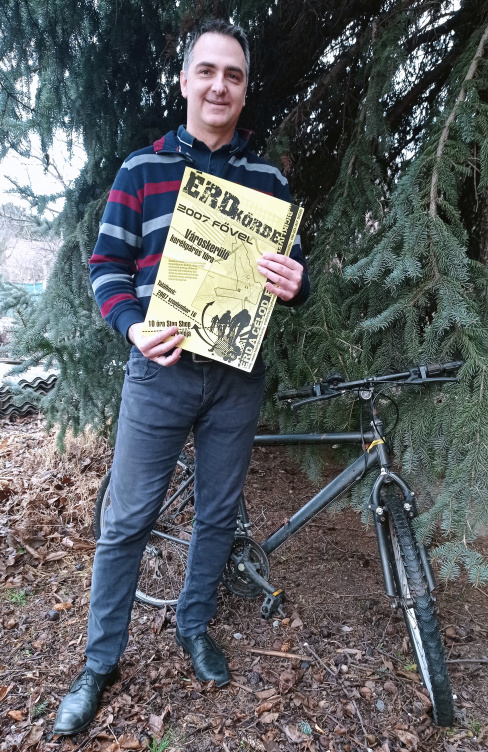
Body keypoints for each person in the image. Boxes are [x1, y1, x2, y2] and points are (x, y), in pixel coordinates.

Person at [53, 19, 309, 736]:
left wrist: (298, 282)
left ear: (244, 90)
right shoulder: (142, 169)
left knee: (217, 515)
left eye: (233, 75)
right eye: (207, 71)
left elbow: (294, 273)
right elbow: (105, 268)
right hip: (157, 373)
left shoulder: (268, 182)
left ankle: (194, 626)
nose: (219, 85)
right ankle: (99, 662)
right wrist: (132, 327)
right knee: (126, 519)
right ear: (185, 81)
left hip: (236, 379)